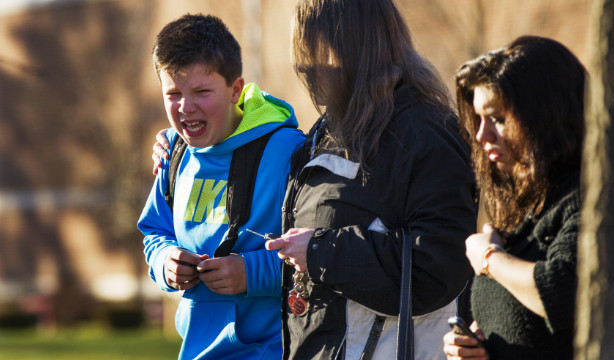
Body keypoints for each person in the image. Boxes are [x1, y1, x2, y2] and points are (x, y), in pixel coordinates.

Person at [262, 0, 477, 359]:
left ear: (356, 47)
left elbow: (437, 268)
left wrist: (320, 250)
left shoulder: (426, 134)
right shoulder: (330, 128)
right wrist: (179, 145)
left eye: (319, 50)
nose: (306, 67)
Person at [138, 14, 304, 360]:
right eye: (173, 94)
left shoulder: (288, 151)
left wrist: (252, 273)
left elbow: (325, 252)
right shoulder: (173, 152)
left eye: (201, 92)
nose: (186, 107)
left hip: (275, 351)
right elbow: (154, 231)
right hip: (195, 350)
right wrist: (165, 261)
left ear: (236, 90)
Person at [442, 36, 586, 360]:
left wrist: (490, 259)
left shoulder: (586, 197)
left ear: (546, 116)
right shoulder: (527, 208)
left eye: (497, 119)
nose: (481, 135)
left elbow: (559, 290)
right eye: (478, 119)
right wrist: (476, 349)